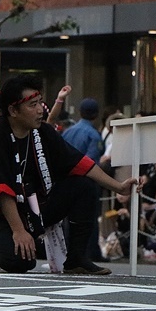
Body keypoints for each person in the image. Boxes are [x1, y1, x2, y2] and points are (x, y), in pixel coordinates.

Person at [0, 74, 138, 277]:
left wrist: (118, 186)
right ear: (13, 110)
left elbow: (79, 163)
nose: (40, 109)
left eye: (41, 103)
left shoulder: (42, 132)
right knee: (21, 261)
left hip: (33, 207)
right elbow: (0, 190)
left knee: (84, 186)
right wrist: (18, 231)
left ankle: (77, 259)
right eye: (32, 105)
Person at [62, 97, 106, 264]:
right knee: (89, 217)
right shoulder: (94, 134)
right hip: (86, 181)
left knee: (68, 218)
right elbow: (91, 161)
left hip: (67, 179)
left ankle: (68, 250)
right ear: (95, 114)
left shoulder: (68, 131)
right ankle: (90, 252)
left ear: (80, 112)